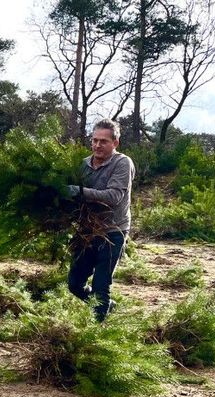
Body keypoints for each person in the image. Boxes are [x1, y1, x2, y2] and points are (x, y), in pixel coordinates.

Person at [65, 118, 135, 322]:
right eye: (95, 140)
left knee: (101, 286)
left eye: (103, 141)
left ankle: (97, 334)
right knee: (74, 284)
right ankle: (106, 307)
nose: (97, 145)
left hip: (114, 231)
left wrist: (78, 192)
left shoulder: (122, 163)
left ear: (115, 143)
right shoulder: (84, 165)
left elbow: (114, 197)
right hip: (87, 231)